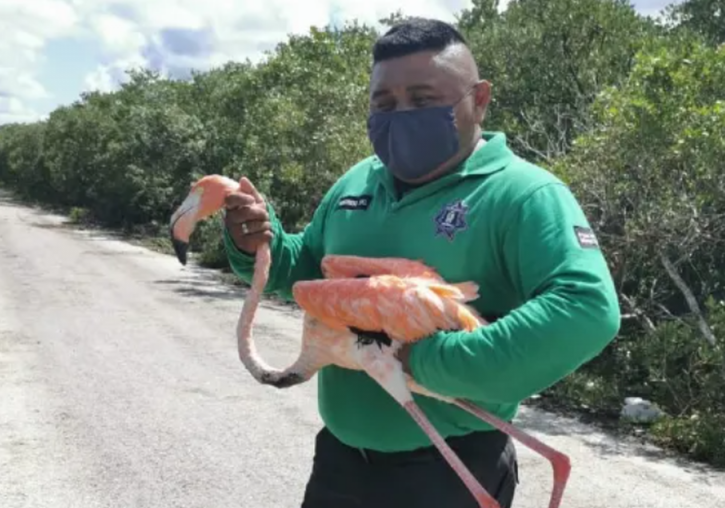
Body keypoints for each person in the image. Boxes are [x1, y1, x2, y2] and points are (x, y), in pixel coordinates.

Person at [222, 17, 620, 508]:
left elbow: (585, 309)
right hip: (340, 462)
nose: (400, 115)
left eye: (422, 99)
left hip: (449, 469)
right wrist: (256, 245)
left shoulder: (524, 194)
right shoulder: (356, 183)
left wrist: (422, 361)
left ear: (479, 99)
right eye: (384, 104)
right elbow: (305, 272)